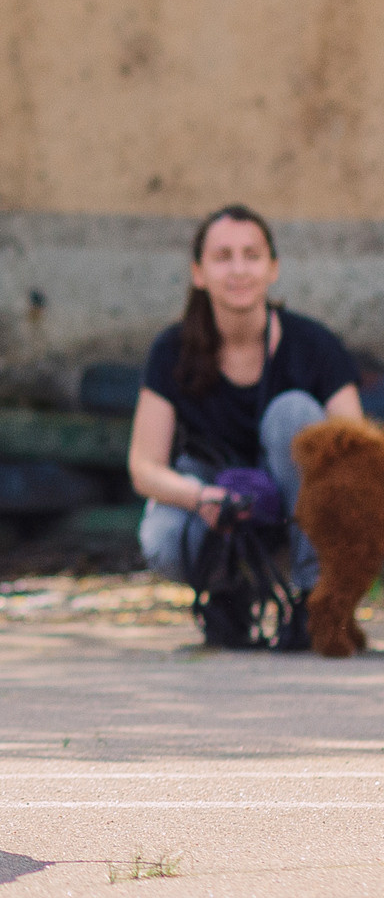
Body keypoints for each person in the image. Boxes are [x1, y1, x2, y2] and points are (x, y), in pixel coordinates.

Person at [129, 205, 363, 618]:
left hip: (298, 516)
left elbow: (357, 460)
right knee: (163, 538)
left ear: (273, 269)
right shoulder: (171, 350)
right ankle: (228, 593)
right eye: (223, 257)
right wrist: (201, 497)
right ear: (198, 273)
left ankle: (315, 602)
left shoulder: (316, 346)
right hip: (215, 500)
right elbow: (144, 466)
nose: (238, 270)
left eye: (251, 256)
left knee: (294, 413)